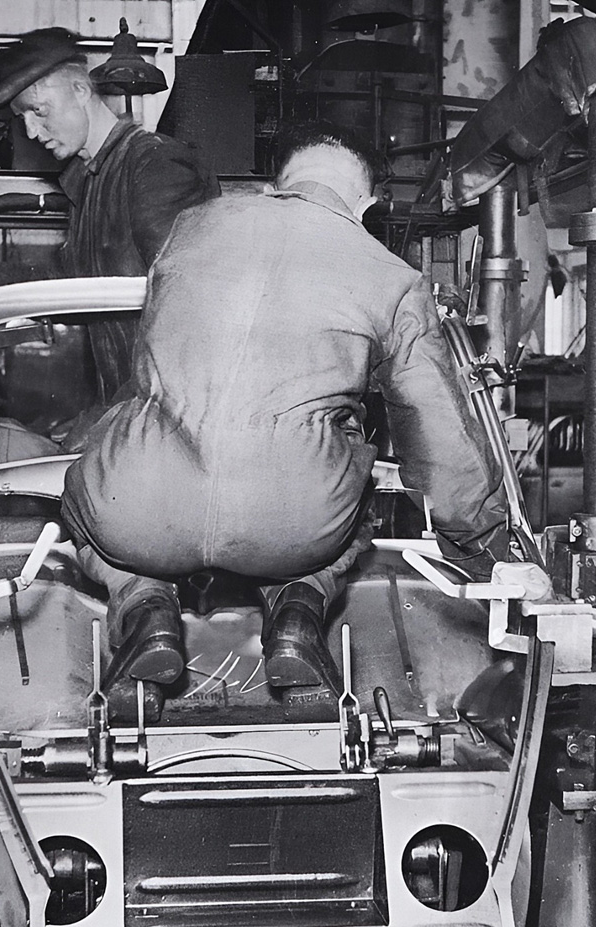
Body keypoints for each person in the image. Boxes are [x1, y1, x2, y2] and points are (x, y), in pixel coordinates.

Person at [61, 121, 509, 712]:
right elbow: (437, 437)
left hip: (140, 514)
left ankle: (143, 603)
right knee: (358, 468)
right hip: (297, 524)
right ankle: (299, 607)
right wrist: (483, 542)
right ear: (367, 204)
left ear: (279, 184)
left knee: (84, 487)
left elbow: (150, 368)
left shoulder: (188, 231)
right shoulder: (394, 279)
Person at [0, 27, 219, 467]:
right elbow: (72, 284)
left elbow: (186, 317)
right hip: (133, 417)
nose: (29, 130)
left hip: (170, 426)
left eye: (38, 111)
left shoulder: (155, 166)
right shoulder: (93, 180)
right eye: (21, 118)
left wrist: (110, 417)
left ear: (81, 89)